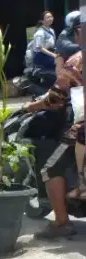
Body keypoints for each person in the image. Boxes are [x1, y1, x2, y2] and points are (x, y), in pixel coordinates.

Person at [22, 15, 83, 239]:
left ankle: (60, 222)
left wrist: (32, 106)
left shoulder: (77, 61)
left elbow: (56, 97)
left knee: (50, 167)